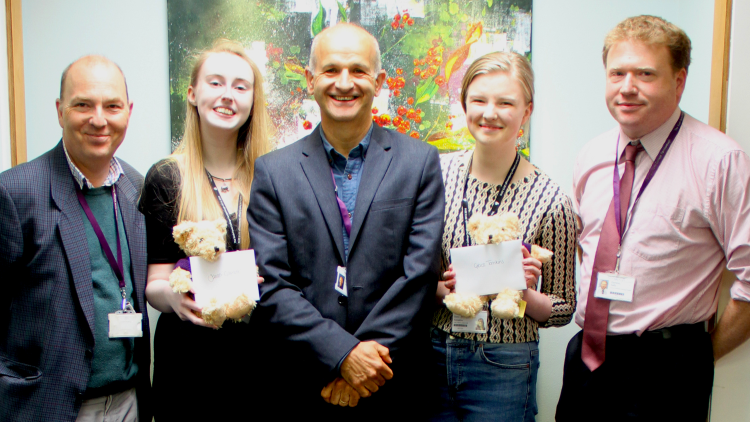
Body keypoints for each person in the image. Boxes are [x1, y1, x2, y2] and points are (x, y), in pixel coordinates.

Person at [556, 15, 750, 421]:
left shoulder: (718, 160)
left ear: (679, 81)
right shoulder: (591, 155)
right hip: (587, 358)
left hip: (669, 365)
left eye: (645, 74)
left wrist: (699, 357)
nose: (627, 87)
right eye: (617, 73)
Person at [247, 23, 444, 419]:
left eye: (358, 70)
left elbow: (419, 275)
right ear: (310, 79)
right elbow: (273, 284)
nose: (344, 83)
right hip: (305, 385)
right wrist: (341, 356)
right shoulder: (273, 171)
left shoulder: (419, 162)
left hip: (394, 384)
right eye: (331, 70)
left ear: (380, 81)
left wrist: (362, 364)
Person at [0, 56, 151, 421]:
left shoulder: (137, 188)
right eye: (83, 104)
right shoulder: (15, 192)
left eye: (112, 106)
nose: (99, 119)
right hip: (48, 407)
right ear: (59, 110)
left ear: (128, 112)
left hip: (129, 402)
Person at [430, 51, 577, 422]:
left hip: (503, 363)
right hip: (431, 352)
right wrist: (440, 288)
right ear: (464, 105)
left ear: (526, 112)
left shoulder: (551, 200)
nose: (489, 112)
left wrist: (521, 291)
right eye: (479, 100)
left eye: (505, 103)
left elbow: (563, 308)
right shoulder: (434, 175)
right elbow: (404, 267)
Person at [138, 40, 273, 421]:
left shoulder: (271, 176)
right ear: (193, 94)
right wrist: (176, 300)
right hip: (188, 359)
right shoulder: (167, 177)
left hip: (255, 357)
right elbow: (155, 281)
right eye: (215, 83)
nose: (227, 95)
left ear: (252, 101)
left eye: (240, 87)